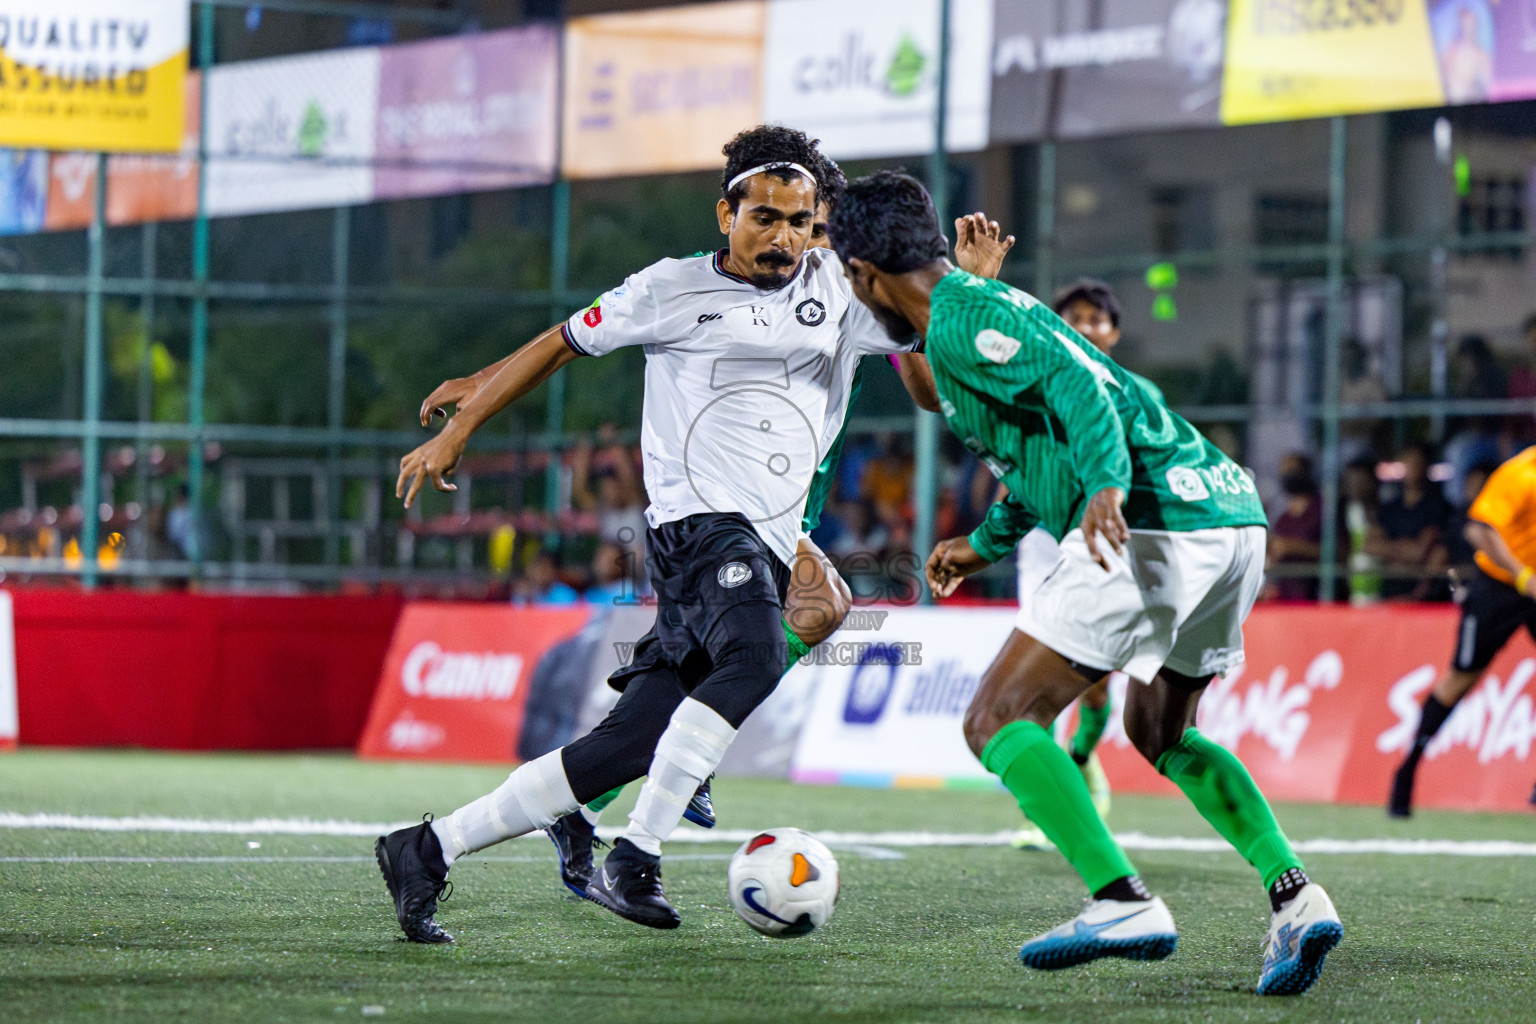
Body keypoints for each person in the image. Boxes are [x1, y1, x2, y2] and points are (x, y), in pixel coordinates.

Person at [374, 128, 1000, 943]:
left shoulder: (837, 290)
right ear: (726, 213)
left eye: (798, 220)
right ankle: (635, 851)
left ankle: (427, 848)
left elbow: (928, 376)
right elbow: (562, 343)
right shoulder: (668, 289)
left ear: (819, 223)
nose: (780, 235)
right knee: (757, 655)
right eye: (763, 217)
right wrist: (470, 418)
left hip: (770, 540)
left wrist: (968, 295)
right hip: (698, 531)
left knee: (628, 744)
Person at [829, 170, 1341, 995]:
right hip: (1230, 518)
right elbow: (1032, 446)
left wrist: (1105, 482)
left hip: (1149, 520)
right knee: (1162, 730)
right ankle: (1295, 895)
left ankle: (1120, 898)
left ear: (861, 275)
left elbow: (1080, 391)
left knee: (998, 715)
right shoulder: (973, 314)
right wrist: (985, 543)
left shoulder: (964, 319)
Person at [1008, 279, 1137, 848]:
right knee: (1040, 678)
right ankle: (1053, 810)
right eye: (1072, 317)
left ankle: (1083, 759)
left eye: (1095, 319)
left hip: (1105, 544)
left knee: (1096, 688)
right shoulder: (1033, 388)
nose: (1083, 327)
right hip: (1041, 544)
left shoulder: (1133, 395)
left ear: (1114, 332)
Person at [1388, 445, 1536, 817]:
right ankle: (1408, 768)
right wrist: (1522, 576)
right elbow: (1478, 530)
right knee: (1462, 678)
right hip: (1500, 586)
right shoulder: (1522, 475)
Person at [1369, 442, 1450, 601]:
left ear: (1426, 466)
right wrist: (1404, 549)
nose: (1411, 467)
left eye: (1417, 462)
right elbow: (1369, 546)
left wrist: (1390, 551)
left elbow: (1418, 553)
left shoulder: (1438, 507)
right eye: (1407, 461)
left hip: (1421, 598)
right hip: (1388, 593)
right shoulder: (1390, 508)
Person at [1266, 453, 1322, 601]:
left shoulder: (1324, 510)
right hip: (1286, 600)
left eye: (1292, 470)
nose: (1286, 475)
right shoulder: (1283, 520)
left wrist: (1293, 547)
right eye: (1283, 471)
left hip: (1318, 599)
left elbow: (1339, 551)